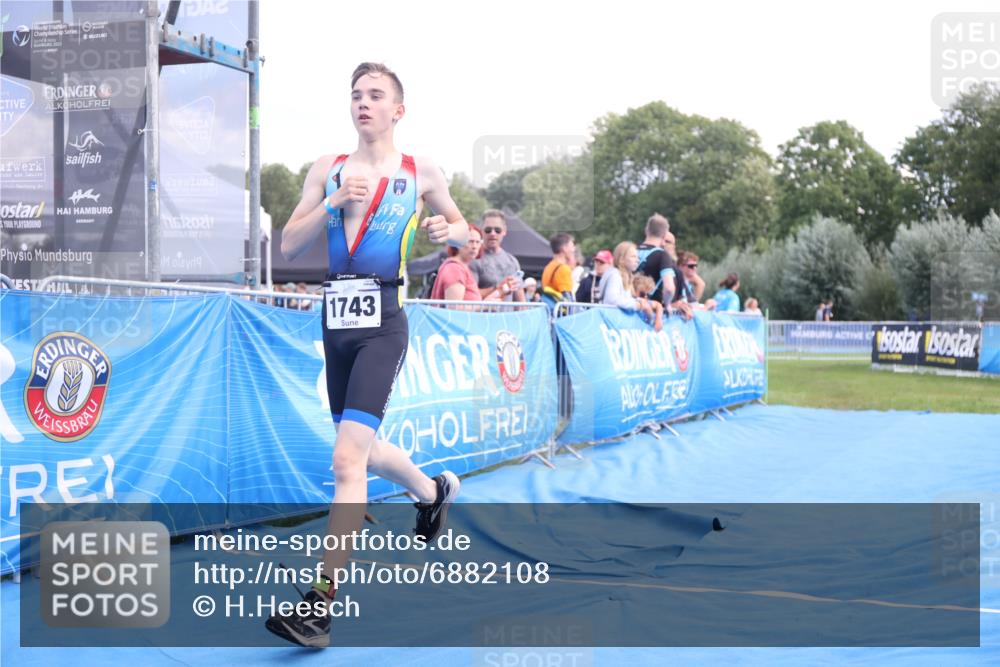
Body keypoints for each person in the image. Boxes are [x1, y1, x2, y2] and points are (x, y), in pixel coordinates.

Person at [269, 62, 469, 648]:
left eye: (375, 95)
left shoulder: (419, 170)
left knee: (345, 463)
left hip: (384, 324)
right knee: (367, 451)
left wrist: (447, 232)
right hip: (336, 325)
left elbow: (465, 234)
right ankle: (432, 494)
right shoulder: (327, 169)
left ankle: (319, 607)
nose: (363, 103)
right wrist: (331, 203)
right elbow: (288, 242)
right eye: (356, 94)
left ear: (397, 110)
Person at [430, 224, 499, 306]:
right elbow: (454, 309)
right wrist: (484, 305)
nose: (474, 246)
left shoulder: (460, 267)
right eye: (470, 241)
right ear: (458, 243)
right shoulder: (454, 269)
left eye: (478, 242)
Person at [470, 209, 524, 302]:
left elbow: (520, 300)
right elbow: (470, 296)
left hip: (507, 316)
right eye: (488, 230)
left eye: (497, 230)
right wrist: (498, 288)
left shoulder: (512, 261)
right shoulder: (473, 259)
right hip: (483, 316)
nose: (492, 233)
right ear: (481, 231)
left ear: (504, 231)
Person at [600, 242, 656, 323]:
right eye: (633, 256)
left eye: (638, 257)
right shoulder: (615, 274)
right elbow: (611, 299)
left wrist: (640, 301)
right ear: (621, 259)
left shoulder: (625, 276)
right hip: (608, 321)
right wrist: (637, 304)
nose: (637, 260)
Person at [541, 233, 576, 302]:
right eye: (572, 246)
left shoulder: (548, 267)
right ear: (564, 248)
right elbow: (567, 298)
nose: (573, 249)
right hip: (560, 311)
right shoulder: (563, 269)